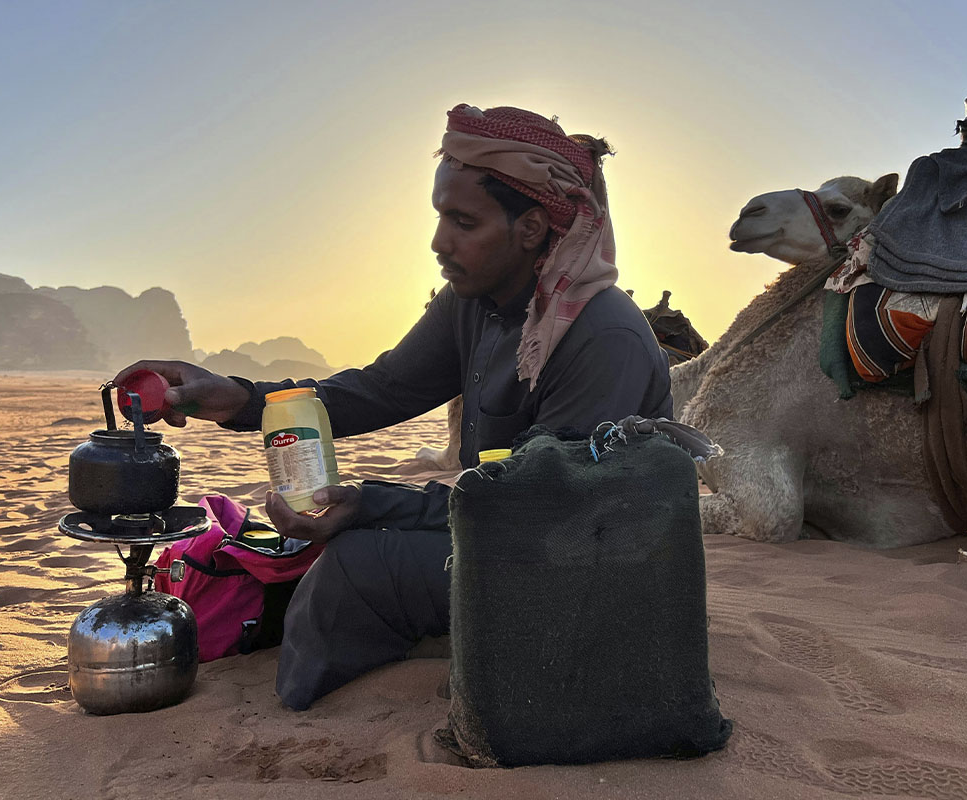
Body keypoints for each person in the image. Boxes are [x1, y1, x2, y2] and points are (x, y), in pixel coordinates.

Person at [117, 104, 672, 710]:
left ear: (532, 228)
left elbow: (542, 503)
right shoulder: (476, 302)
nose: (439, 242)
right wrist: (240, 397)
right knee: (319, 548)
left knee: (361, 561)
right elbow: (384, 388)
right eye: (440, 217)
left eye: (463, 221)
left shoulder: (600, 334)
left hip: (590, 568)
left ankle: (303, 724)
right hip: (508, 527)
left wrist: (368, 502)